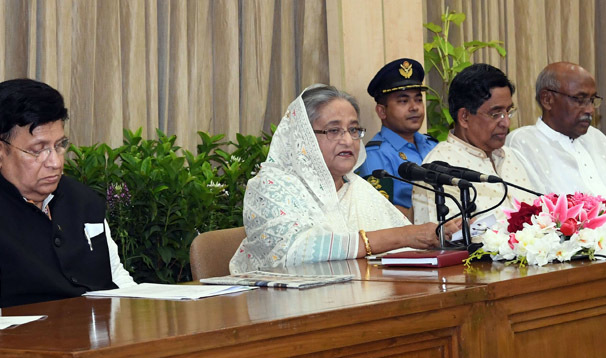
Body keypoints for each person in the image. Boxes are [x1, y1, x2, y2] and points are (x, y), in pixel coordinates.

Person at [229, 85, 460, 273]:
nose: (348, 141)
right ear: (303, 137)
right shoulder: (270, 185)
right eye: (333, 130)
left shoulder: (357, 187)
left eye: (353, 130)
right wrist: (404, 236)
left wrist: (441, 235)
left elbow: (405, 244)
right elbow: (293, 253)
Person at [0, 79, 135, 311]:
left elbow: (117, 279)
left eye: (60, 145)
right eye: (39, 150)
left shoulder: (82, 200)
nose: (56, 162)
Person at [412, 64, 538, 224]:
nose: (506, 122)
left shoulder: (510, 155)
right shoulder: (437, 169)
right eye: (496, 114)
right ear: (464, 117)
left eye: (508, 111)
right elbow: (442, 241)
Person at [506, 61, 606, 197]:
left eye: (592, 100)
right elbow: (533, 208)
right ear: (547, 99)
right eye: (580, 99)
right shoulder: (523, 143)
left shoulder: (596, 137)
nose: (590, 110)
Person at [356, 58, 438, 221]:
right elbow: (381, 213)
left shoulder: (432, 145)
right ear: (382, 111)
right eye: (403, 101)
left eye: (418, 99)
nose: (414, 107)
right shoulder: (374, 156)